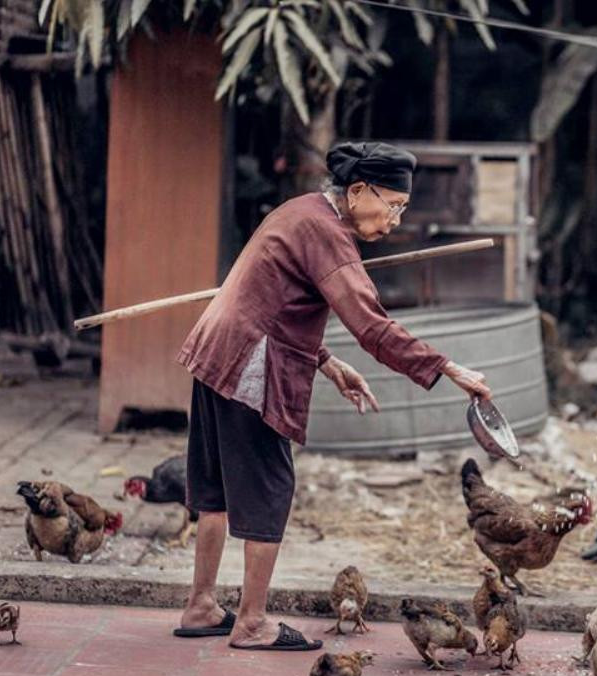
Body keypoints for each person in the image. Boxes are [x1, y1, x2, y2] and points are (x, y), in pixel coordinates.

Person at [173, 141, 491, 650]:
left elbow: (275, 296)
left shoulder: (300, 211)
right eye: (393, 204)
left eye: (402, 208)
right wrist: (447, 367)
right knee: (269, 487)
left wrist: (327, 361)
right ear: (359, 190)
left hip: (215, 350)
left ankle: (201, 605)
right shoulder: (327, 234)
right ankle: (252, 623)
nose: (394, 219)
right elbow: (371, 325)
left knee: (216, 489)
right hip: (249, 363)